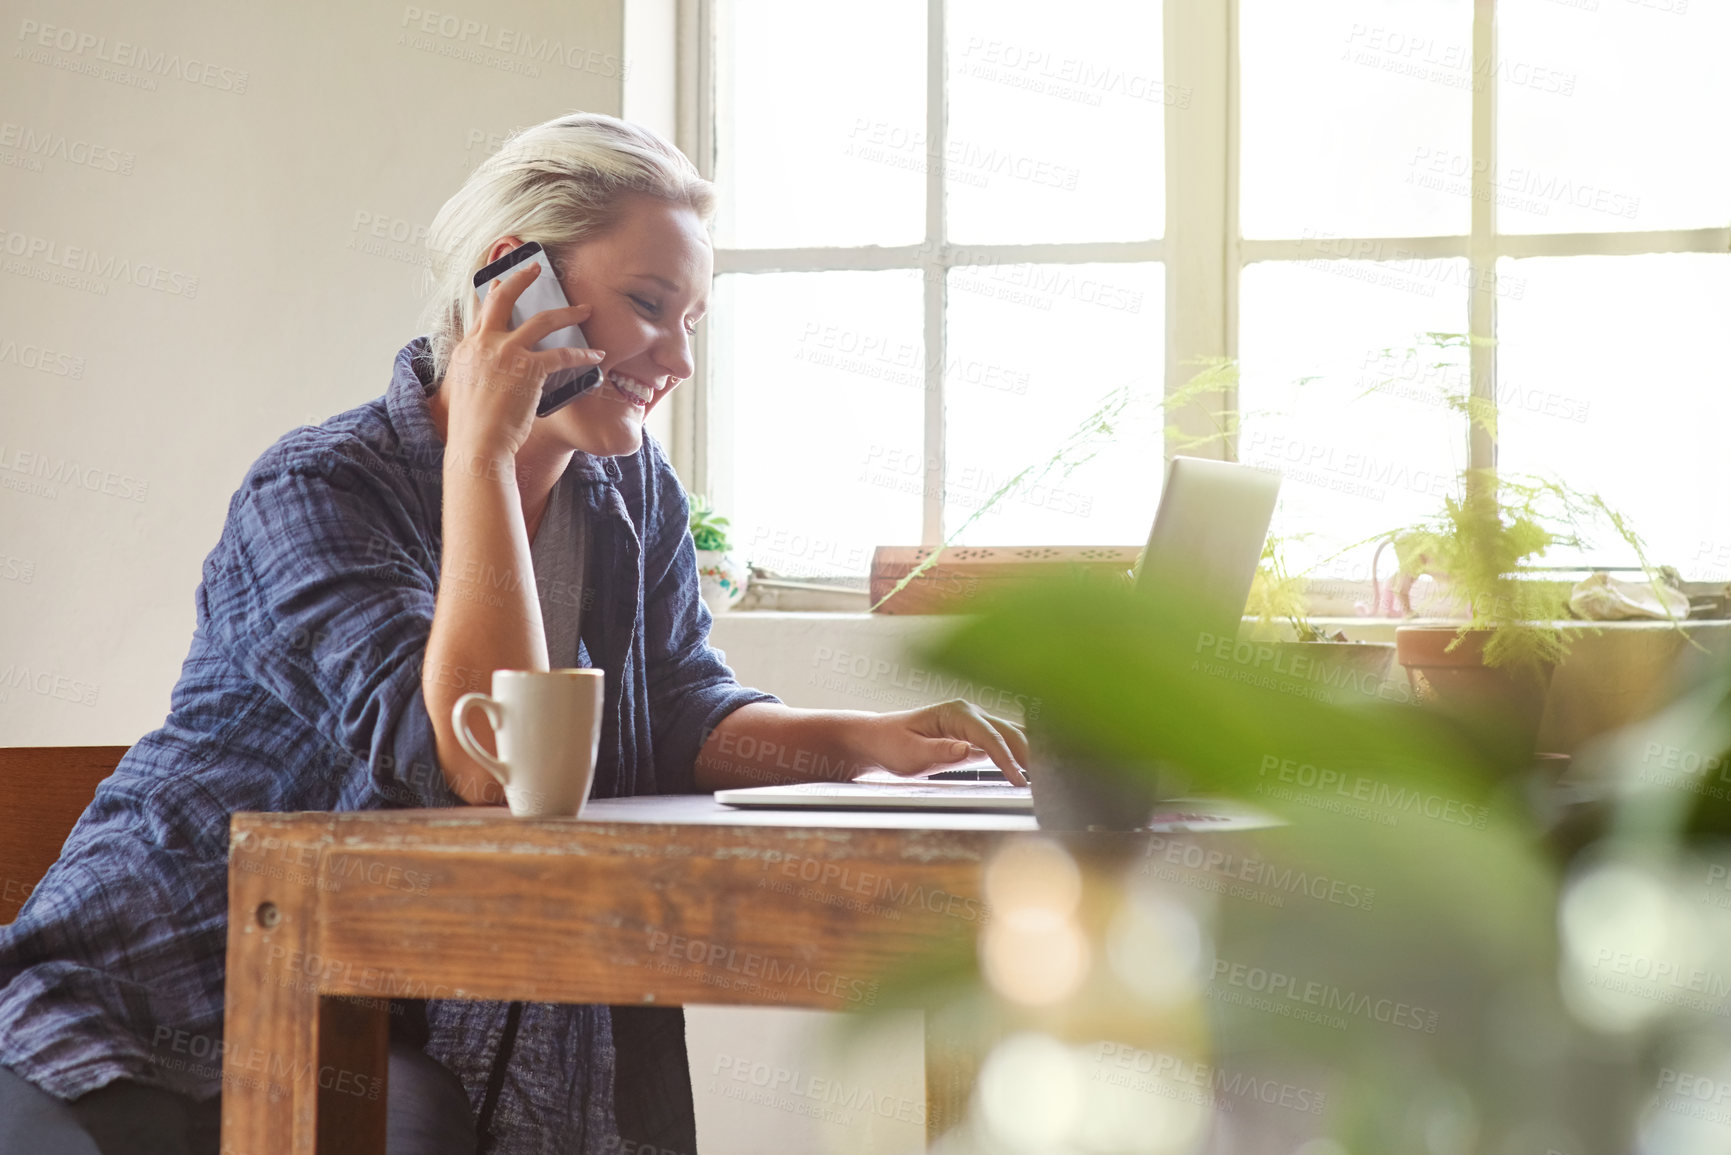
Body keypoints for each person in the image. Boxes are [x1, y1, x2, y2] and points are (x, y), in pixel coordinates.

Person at [0, 112, 1030, 1155]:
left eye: (694, 321)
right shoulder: (319, 490)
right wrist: (484, 457)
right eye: (647, 305)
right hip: (139, 990)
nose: (675, 356)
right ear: (512, 282)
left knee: (417, 1120)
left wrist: (871, 743)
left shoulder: (632, 497)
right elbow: (488, 764)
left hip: (357, 1018)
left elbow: (675, 710)